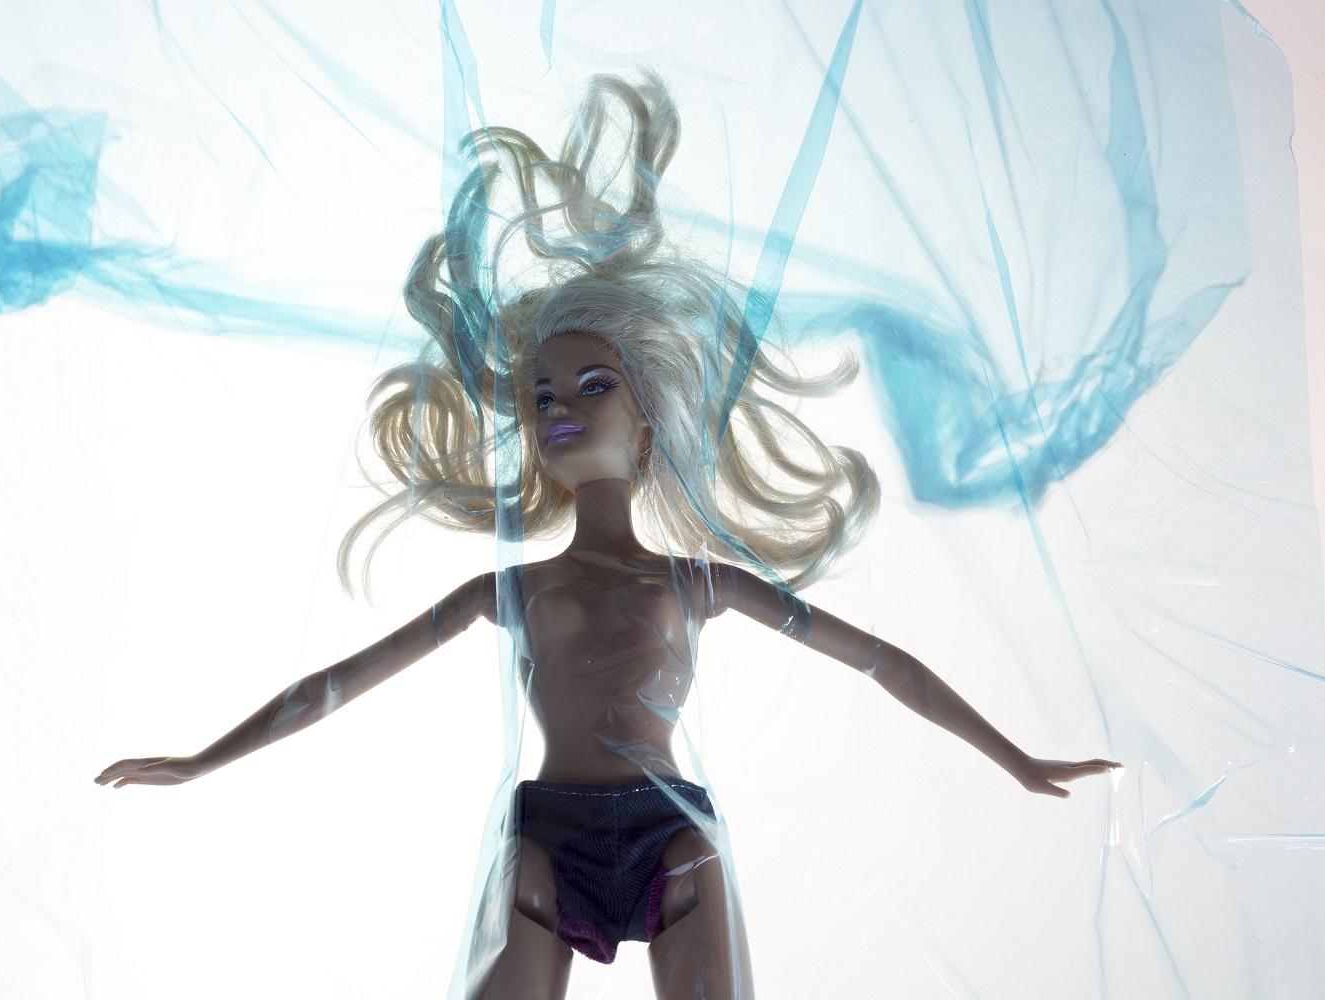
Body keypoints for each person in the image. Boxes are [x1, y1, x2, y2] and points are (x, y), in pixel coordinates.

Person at [96, 71, 1121, 999]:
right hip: (546, 837)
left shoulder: (699, 584)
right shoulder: (511, 589)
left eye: (593, 385)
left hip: (675, 835)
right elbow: (341, 681)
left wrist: (1015, 755)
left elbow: (880, 662)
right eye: (543, 395)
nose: (561, 409)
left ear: (648, 425)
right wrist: (199, 760)